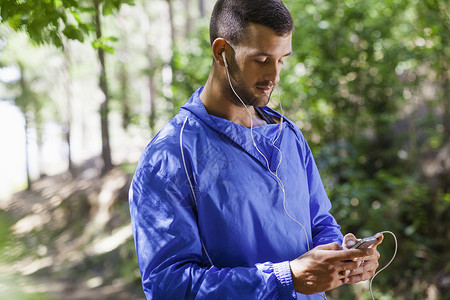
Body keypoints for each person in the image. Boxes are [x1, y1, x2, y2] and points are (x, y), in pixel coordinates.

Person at [129, 0, 383, 299]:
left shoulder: (288, 135)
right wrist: (284, 278)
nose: (274, 76)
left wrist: (343, 256)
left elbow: (319, 222)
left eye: (281, 59)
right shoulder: (170, 156)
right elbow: (167, 286)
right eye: (261, 59)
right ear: (222, 52)